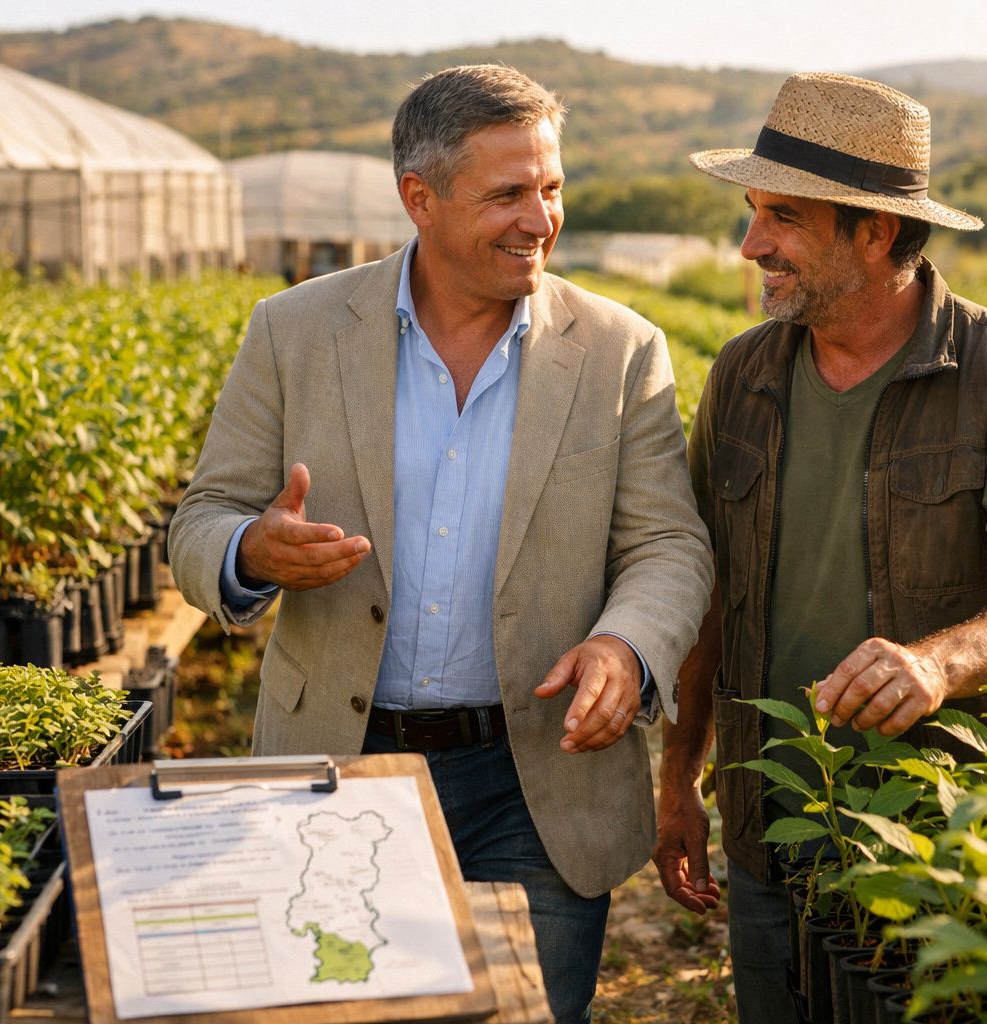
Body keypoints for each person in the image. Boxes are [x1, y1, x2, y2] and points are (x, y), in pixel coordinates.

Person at [169, 64, 713, 1024]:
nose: (538, 219)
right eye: (506, 193)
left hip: (534, 774)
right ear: (418, 199)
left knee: (528, 1012)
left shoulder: (621, 350)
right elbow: (201, 516)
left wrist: (625, 646)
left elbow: (669, 544)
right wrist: (251, 550)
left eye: (550, 188)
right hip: (339, 760)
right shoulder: (294, 331)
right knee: (342, 1007)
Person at [653, 72, 987, 1022]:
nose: (751, 245)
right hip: (768, 816)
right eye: (752, 212)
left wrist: (935, 664)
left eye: (782, 217)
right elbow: (708, 590)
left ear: (875, 231)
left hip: (936, 844)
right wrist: (678, 775)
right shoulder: (744, 372)